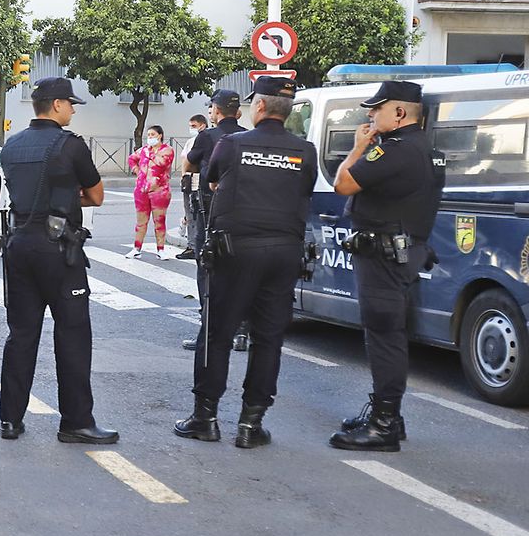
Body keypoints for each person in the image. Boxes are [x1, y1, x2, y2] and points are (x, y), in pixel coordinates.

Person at [174, 77, 316, 448]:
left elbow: (211, 179)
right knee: (268, 339)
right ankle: (251, 425)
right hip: (284, 252)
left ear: (260, 107)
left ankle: (205, 418)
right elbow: (304, 189)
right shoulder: (305, 151)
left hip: (235, 251)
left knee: (217, 335)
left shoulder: (232, 144)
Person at [0, 78, 117, 444]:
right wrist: (66, 199)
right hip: (59, 249)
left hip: (19, 246)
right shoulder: (70, 146)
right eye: (71, 103)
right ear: (58, 105)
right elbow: (96, 196)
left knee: (21, 335)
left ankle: (10, 420)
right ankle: (76, 422)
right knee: (73, 334)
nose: (74, 110)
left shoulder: (11, 146)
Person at [329, 80, 445, 451]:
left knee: (383, 336)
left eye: (377, 108)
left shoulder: (397, 149)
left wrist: (358, 148)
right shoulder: (421, 147)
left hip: (384, 254)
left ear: (399, 113)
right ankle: (388, 414)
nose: (370, 114)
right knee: (388, 333)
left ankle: (384, 425)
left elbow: (343, 183)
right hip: (400, 250)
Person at [181, 90, 246, 351]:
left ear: (217, 111)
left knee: (207, 269)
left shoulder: (206, 136)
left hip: (211, 213)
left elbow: (188, 166)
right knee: (239, 271)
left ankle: (208, 329)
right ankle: (241, 331)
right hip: (242, 212)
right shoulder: (246, 136)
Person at [126, 125, 177, 259]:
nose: (150, 138)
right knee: (141, 221)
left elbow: (162, 163)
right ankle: (137, 248)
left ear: (160, 135)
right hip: (141, 190)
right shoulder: (144, 150)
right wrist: (137, 171)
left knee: (159, 221)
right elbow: (131, 158)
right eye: (148, 135)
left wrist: (149, 154)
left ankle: (160, 249)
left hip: (159, 191)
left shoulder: (167, 150)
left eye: (152, 135)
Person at [176, 114, 208, 259]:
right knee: (189, 215)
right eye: (190, 126)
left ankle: (198, 246)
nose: (191, 129)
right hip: (188, 182)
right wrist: (184, 178)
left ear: (203, 125)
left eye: (194, 126)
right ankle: (191, 246)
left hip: (199, 183)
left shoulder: (205, 139)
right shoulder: (190, 142)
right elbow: (185, 160)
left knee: (198, 216)